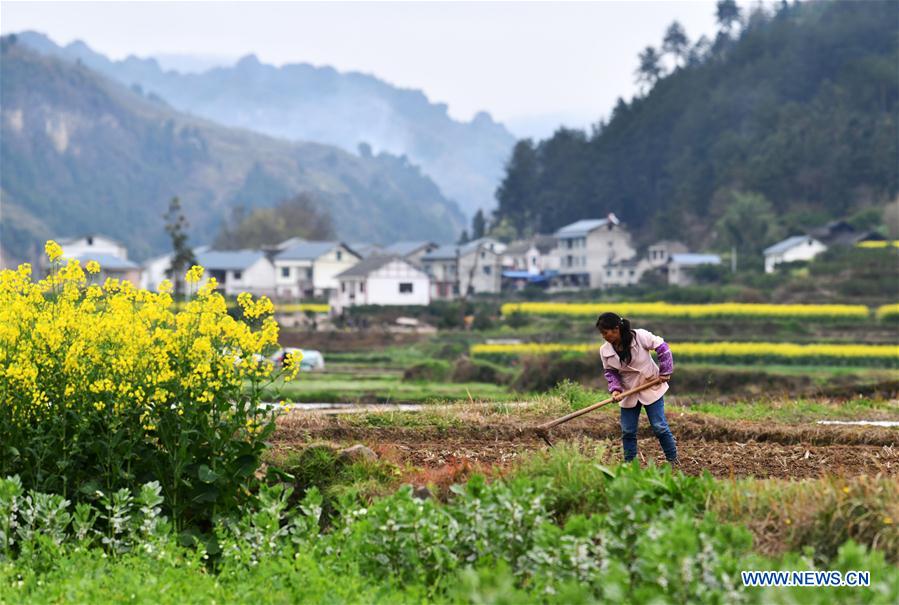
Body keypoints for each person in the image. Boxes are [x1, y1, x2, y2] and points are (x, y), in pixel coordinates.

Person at [596, 312, 679, 465]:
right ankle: (630, 464)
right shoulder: (605, 351)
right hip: (628, 391)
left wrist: (665, 371)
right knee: (628, 431)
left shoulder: (640, 336)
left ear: (616, 329)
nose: (604, 336)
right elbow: (610, 372)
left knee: (659, 427)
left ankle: (673, 459)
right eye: (602, 333)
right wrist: (615, 389)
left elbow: (663, 347)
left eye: (605, 332)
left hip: (650, 384)